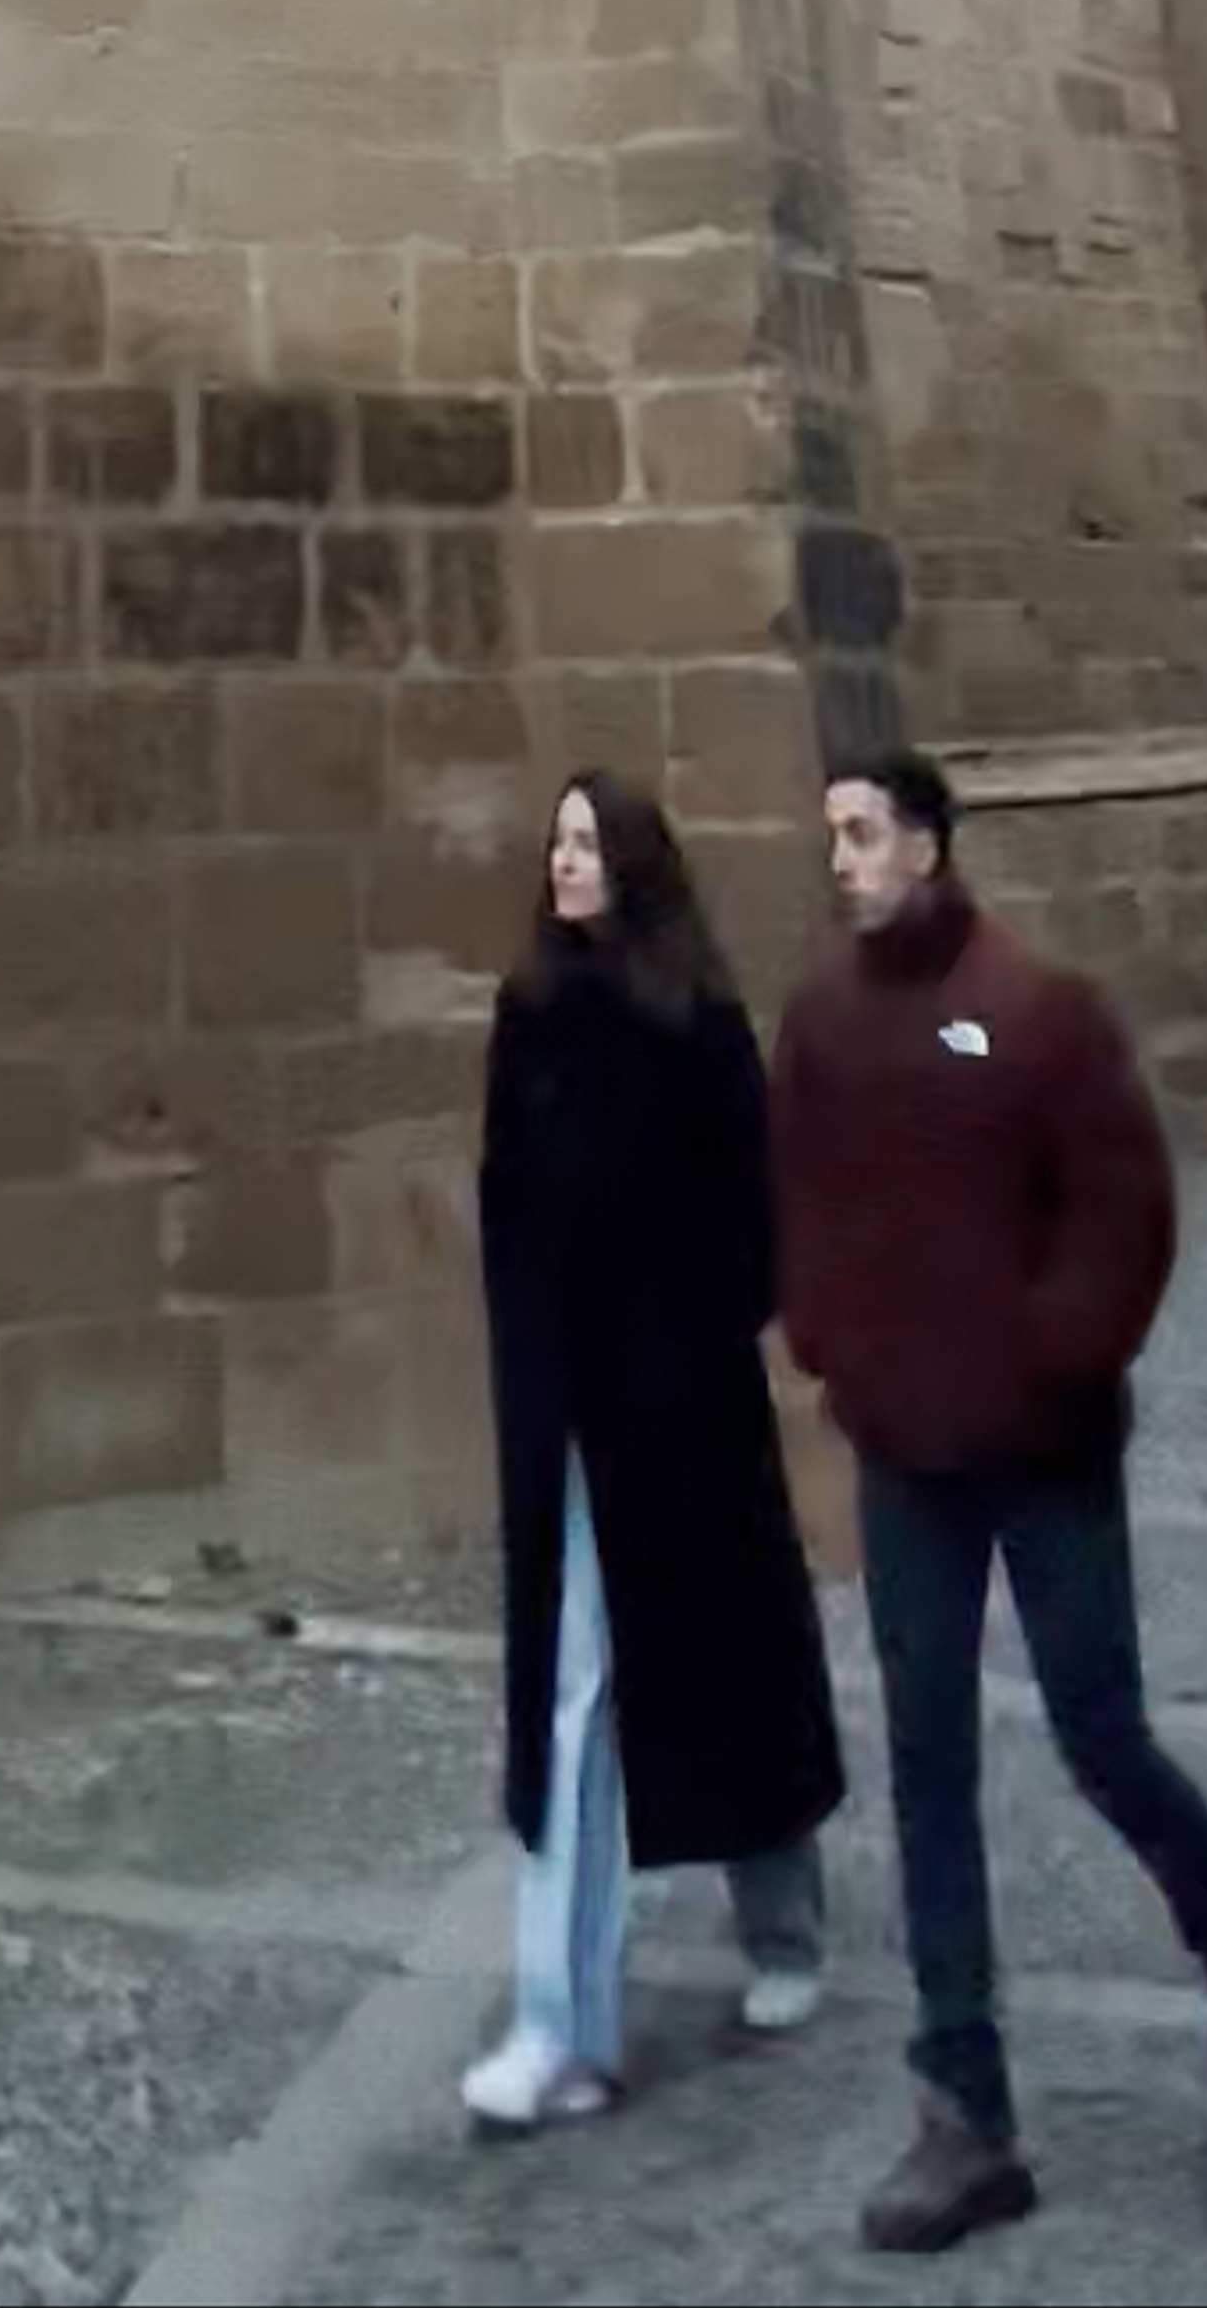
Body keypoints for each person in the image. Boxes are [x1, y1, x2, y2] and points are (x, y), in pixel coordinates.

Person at [772, 751, 1207, 2258]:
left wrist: (1052, 1352)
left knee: (1101, 1730)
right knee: (926, 1756)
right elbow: (798, 1189)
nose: (845, 859)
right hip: (905, 1451)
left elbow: (1124, 1208)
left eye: (865, 833)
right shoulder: (822, 1017)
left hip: (1045, 1445)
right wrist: (829, 1339)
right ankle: (964, 2109)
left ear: (929, 841)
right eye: (834, 836)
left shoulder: (1039, 1005)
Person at [464, 770, 848, 2132]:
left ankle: (787, 1925)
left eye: (585, 841)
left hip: (682, 1407)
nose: (564, 862)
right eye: (555, 840)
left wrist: (693, 1340)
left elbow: (755, 1196)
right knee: (573, 1701)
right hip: (572, 1414)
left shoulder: (692, 1015)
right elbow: (505, 1195)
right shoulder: (531, 1011)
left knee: (728, 1665)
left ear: (632, 863)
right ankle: (561, 2021)